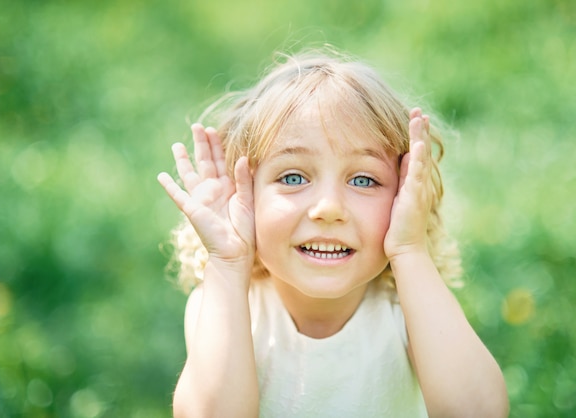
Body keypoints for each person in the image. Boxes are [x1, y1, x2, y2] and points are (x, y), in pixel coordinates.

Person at [157, 49, 509, 418]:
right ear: (242, 193)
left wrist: (410, 249)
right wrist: (227, 265)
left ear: (405, 195)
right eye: (293, 177)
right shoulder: (226, 303)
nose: (329, 208)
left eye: (363, 179)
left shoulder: (407, 308)